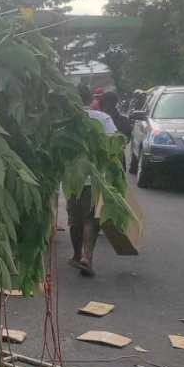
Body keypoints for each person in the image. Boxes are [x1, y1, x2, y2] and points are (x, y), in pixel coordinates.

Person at [67, 85, 118, 277]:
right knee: (91, 219)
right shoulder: (103, 119)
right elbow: (114, 144)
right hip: (96, 177)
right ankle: (87, 257)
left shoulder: (66, 121)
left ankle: (76, 254)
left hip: (72, 178)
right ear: (90, 100)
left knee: (75, 219)